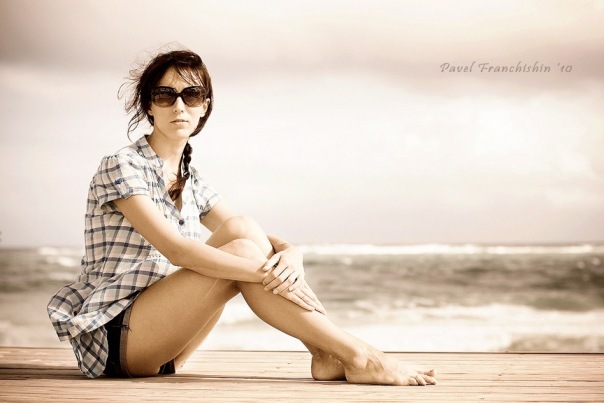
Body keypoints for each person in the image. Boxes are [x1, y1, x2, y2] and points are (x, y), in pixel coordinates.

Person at [47, 47, 437, 386]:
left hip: (166, 341)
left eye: (191, 95)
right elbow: (177, 250)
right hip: (116, 341)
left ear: (204, 106)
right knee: (243, 252)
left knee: (243, 229)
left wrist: (291, 254)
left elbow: (252, 235)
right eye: (165, 95)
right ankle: (359, 356)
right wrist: (265, 274)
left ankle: (324, 351)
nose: (179, 106)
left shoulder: (190, 180)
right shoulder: (122, 165)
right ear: (149, 105)